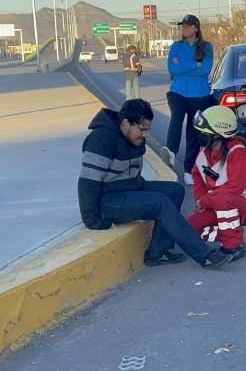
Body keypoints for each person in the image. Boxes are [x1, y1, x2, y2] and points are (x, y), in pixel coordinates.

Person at [77, 98, 233, 268]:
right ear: (125, 123)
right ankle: (204, 255)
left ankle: (157, 251)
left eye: (147, 130)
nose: (144, 135)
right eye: (142, 129)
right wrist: (93, 221)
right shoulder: (100, 140)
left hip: (131, 188)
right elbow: (87, 182)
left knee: (175, 191)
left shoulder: (132, 137)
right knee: (159, 203)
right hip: (108, 200)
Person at [187, 106, 246, 262]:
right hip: (215, 202)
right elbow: (197, 177)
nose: (201, 135)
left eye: (206, 132)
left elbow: (234, 188)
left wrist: (205, 200)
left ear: (219, 135)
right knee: (189, 228)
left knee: (223, 199)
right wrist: (200, 199)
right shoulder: (205, 150)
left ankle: (233, 246)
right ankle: (232, 231)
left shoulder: (238, 151)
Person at [161, 15, 215, 185]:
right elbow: (172, 68)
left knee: (193, 132)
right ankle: (170, 152)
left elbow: (205, 69)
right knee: (176, 119)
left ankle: (188, 170)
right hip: (178, 92)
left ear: (196, 28)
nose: (183, 28)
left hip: (199, 95)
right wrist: (193, 64)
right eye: (182, 26)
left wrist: (183, 65)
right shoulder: (176, 46)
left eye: (187, 26)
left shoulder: (206, 46)